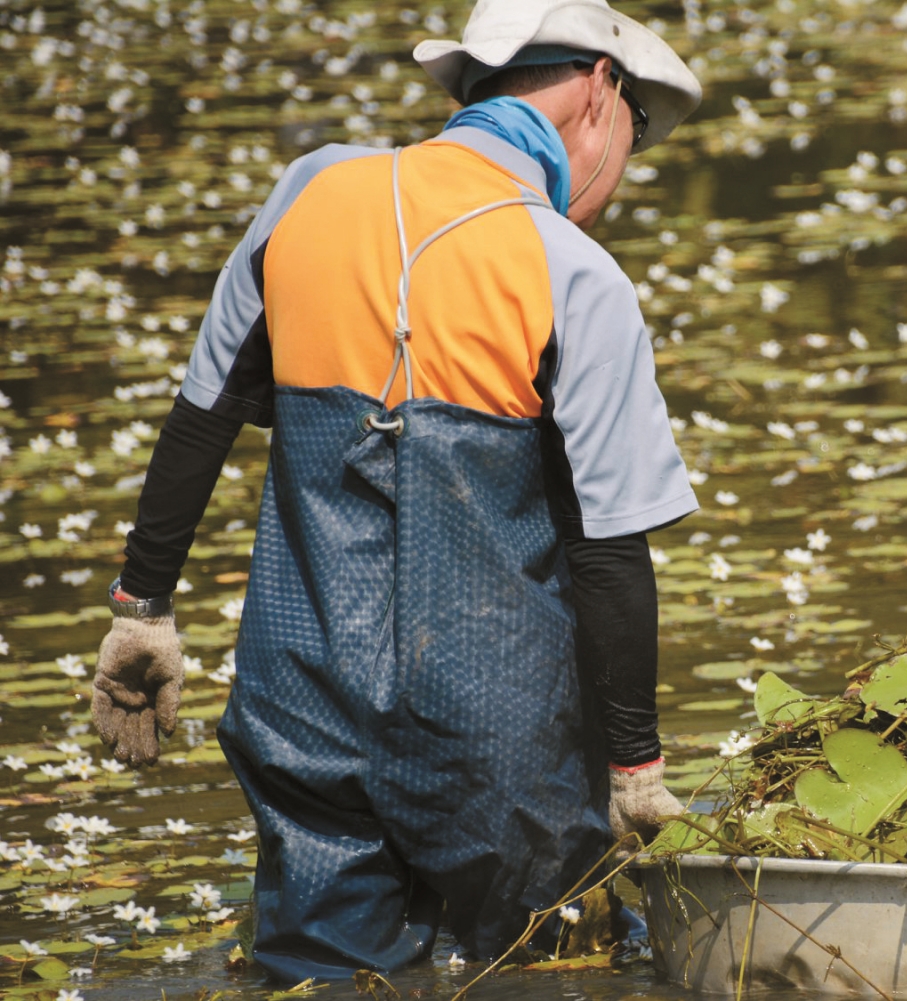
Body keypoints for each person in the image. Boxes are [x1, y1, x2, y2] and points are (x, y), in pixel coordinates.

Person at [89, 0, 701, 981]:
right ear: (600, 89)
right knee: (557, 972)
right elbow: (609, 552)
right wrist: (636, 769)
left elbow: (200, 416)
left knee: (323, 979)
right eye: (637, 134)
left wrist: (143, 611)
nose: (623, 173)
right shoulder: (573, 272)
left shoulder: (311, 188)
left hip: (301, 711)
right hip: (502, 747)